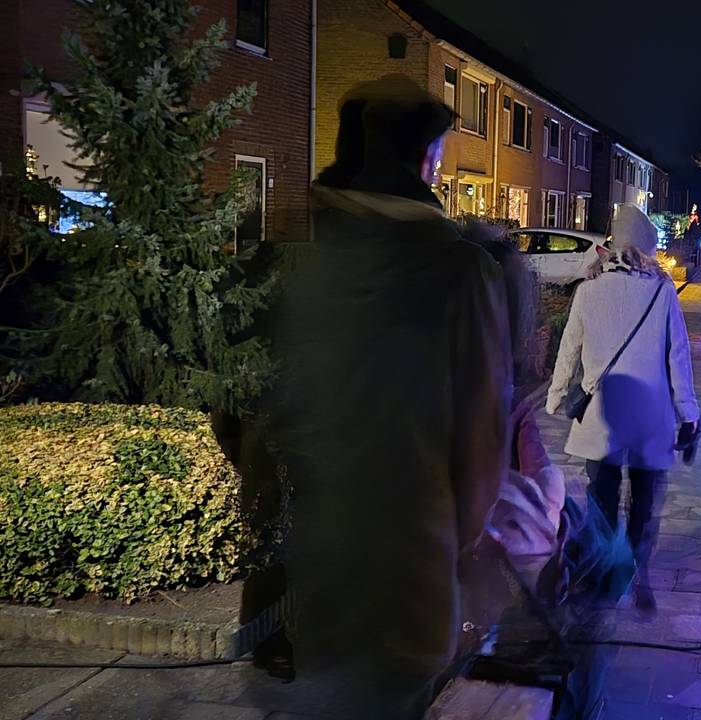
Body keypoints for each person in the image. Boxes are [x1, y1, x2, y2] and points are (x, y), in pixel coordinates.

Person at [270, 75, 512, 719]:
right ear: (424, 158)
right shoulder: (462, 274)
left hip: (310, 578)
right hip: (408, 580)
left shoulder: (292, 263)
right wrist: (451, 540)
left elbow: (246, 410)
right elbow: (483, 439)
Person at [546, 203, 699, 619]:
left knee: (603, 499)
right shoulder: (662, 291)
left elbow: (569, 349)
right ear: (648, 248)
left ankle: (603, 577)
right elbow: (678, 356)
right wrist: (688, 413)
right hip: (651, 418)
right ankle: (636, 570)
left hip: (603, 416)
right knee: (644, 502)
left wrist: (557, 396)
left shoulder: (588, 290)